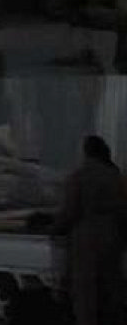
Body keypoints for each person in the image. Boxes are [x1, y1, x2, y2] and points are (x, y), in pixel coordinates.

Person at [53, 135, 127, 325]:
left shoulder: (78, 177)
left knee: (86, 298)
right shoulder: (116, 177)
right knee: (111, 296)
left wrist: (55, 228)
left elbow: (69, 212)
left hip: (85, 246)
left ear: (86, 152)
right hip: (112, 244)